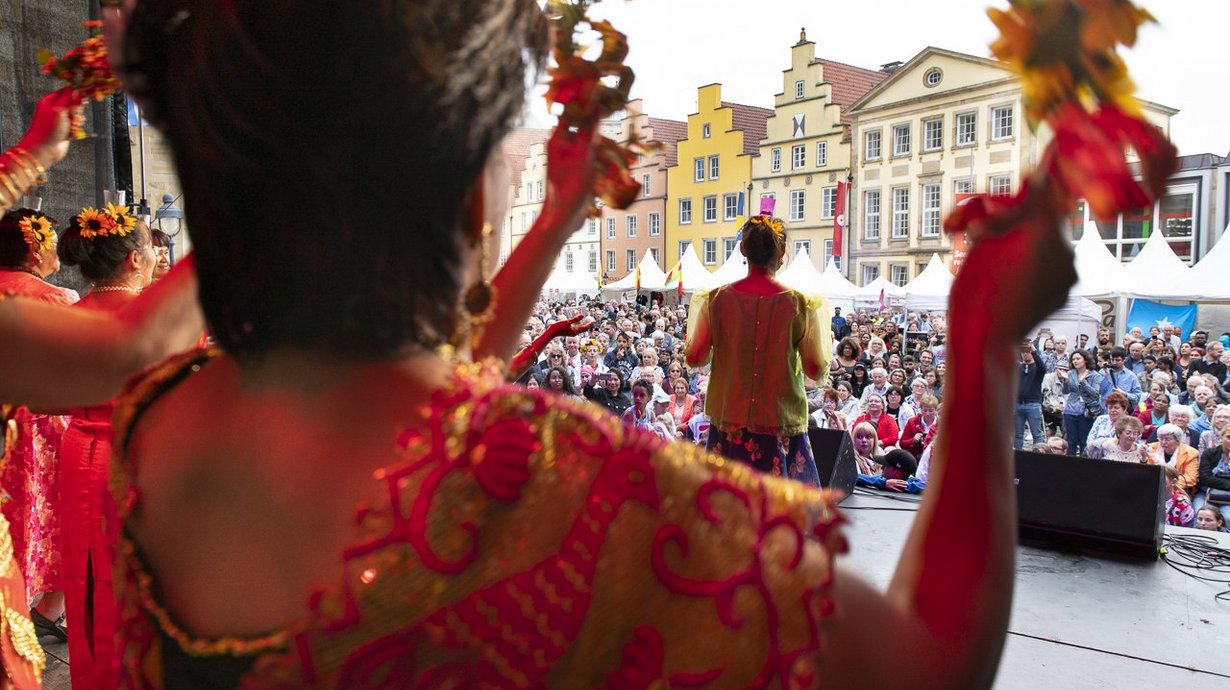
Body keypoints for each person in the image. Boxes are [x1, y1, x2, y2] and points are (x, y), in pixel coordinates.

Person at [94, 0, 1086, 687]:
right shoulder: (573, 487)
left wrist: (565, 213)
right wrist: (985, 342)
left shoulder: (157, 418)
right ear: (463, 187)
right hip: (766, 439)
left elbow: (419, 397)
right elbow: (924, 665)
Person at [56, 204, 158, 689]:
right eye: (149, 247)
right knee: (149, 580)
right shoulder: (164, 321)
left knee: (89, 581)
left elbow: (37, 399)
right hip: (147, 460)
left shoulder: (62, 320)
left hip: (81, 456)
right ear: (134, 260)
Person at [686, 215, 830, 486]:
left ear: (742, 249)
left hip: (731, 418)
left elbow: (696, 358)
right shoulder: (800, 304)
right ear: (782, 253)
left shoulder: (716, 300)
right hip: (780, 418)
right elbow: (814, 369)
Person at [1059, 349, 1104, 455]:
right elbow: (1066, 391)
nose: (1075, 361)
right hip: (1070, 409)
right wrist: (1065, 381)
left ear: (1085, 360)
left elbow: (1095, 394)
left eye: (1078, 358)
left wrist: (1083, 382)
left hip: (1086, 411)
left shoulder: (1094, 375)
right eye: (1073, 359)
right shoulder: (1070, 373)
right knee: (1071, 441)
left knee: (1084, 440)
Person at [1147, 423, 1200, 495]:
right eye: (1161, 438)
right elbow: (1148, 472)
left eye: (1167, 439)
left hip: (1179, 490)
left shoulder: (1191, 453)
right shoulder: (1151, 449)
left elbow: (1191, 478)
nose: (1163, 442)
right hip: (1153, 488)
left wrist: (1167, 484)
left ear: (1178, 441)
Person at [1194, 425, 1230, 523]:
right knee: (1199, 514)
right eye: (1228, 437)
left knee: (1228, 518)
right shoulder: (1209, 453)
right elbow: (1205, 478)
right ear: (1221, 438)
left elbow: (1210, 479)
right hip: (1205, 493)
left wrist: (1215, 480)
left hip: (1229, 498)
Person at [1015, 339, 1047, 450]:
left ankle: (1039, 456)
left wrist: (1034, 351)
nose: (1025, 354)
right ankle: (1018, 458)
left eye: (1026, 351)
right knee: (1017, 435)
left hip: (1033, 404)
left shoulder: (1037, 369)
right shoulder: (1017, 367)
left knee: (1037, 435)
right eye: (1022, 352)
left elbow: (1042, 368)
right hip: (1018, 404)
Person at [898, 394, 940, 461]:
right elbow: (902, 443)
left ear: (936, 410)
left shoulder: (941, 423)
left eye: (931, 410)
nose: (927, 413)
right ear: (920, 409)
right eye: (925, 410)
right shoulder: (912, 421)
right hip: (915, 458)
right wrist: (913, 440)